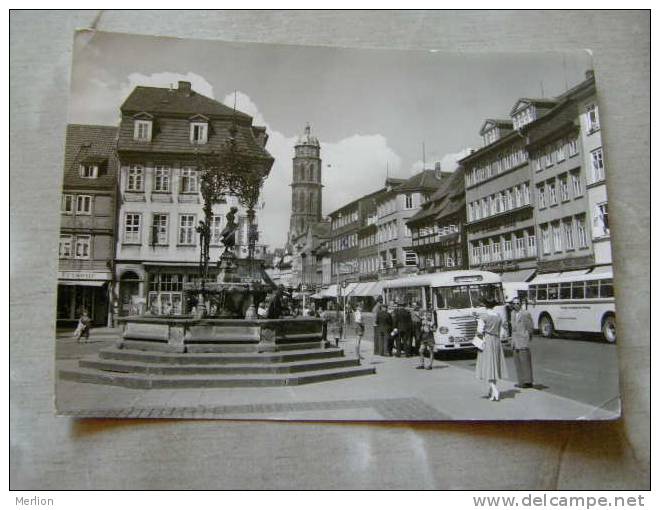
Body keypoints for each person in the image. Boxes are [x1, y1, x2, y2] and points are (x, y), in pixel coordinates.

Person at [474, 298, 508, 401]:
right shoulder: (498, 316)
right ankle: (492, 392)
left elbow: (479, 331)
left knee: (488, 366)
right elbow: (502, 332)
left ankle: (495, 390)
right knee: (494, 365)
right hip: (496, 341)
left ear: (485, 306)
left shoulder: (483, 316)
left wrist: (477, 342)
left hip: (487, 340)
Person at [510, 297, 535, 388]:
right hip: (515, 340)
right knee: (517, 361)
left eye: (518, 303)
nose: (516, 305)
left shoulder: (525, 313)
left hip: (523, 339)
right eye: (514, 303)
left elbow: (530, 326)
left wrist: (528, 336)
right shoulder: (512, 313)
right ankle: (521, 381)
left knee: (525, 361)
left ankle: (528, 381)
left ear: (521, 304)